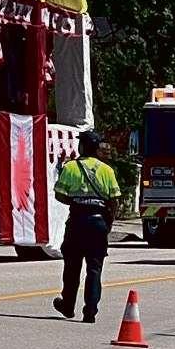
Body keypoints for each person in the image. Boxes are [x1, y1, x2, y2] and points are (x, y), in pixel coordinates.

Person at [53, 130, 122, 323]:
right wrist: (108, 223)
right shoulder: (107, 170)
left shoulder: (71, 167)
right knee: (94, 268)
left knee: (72, 266)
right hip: (98, 223)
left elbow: (59, 194)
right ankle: (90, 311)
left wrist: (76, 201)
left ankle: (68, 305)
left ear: (82, 147)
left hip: (77, 221)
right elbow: (115, 200)